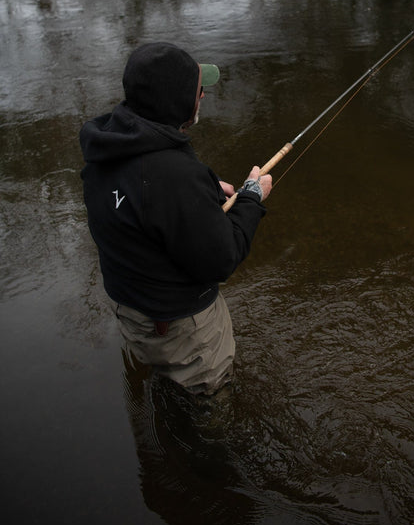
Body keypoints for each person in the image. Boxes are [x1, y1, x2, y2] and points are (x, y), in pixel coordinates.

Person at [79, 41, 272, 396]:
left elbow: (141, 196)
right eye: (199, 90)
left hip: (131, 309)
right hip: (181, 328)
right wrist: (251, 198)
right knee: (210, 406)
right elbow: (221, 259)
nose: (203, 96)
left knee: (163, 384)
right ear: (179, 102)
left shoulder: (104, 146)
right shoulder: (175, 176)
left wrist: (204, 189)